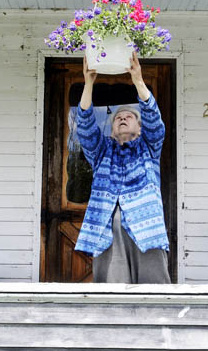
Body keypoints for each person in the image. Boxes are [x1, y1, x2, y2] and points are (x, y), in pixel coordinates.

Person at [74, 51, 171, 284]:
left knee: (154, 291)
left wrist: (138, 80)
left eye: (129, 116)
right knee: (111, 294)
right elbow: (85, 127)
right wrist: (88, 84)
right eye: (118, 117)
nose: (123, 118)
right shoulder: (101, 151)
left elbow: (154, 121)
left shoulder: (149, 147)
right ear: (112, 129)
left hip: (146, 232)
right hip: (107, 232)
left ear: (139, 128)